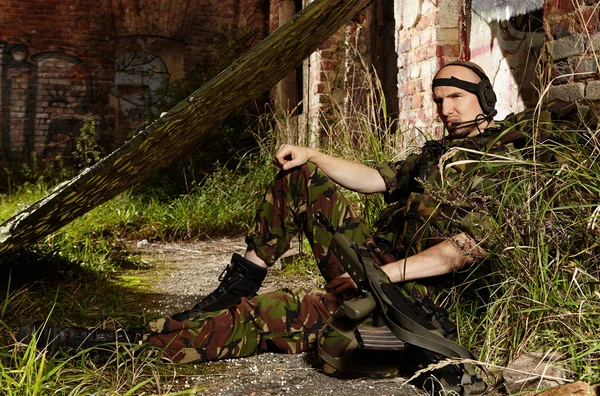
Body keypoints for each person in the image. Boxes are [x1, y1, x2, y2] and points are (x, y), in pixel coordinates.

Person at [18, 60, 508, 364]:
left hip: (409, 295)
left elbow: (463, 251)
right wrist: (312, 155)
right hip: (379, 265)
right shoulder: (436, 154)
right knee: (299, 174)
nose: (447, 111)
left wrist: (381, 277)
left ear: (484, 98)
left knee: (264, 317)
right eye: (440, 101)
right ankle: (241, 280)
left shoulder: (507, 158)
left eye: (457, 99)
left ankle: (111, 343)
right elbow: (377, 179)